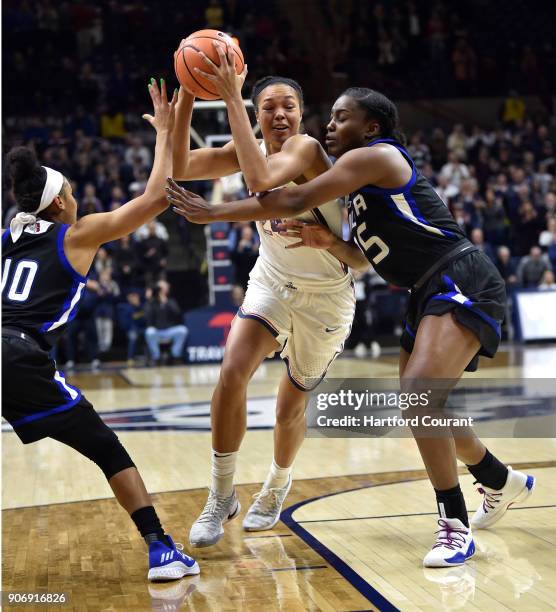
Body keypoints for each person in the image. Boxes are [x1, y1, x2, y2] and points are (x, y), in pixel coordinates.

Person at [168, 87, 535, 568]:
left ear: (371, 128)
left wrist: (215, 211)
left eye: (341, 119)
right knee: (425, 405)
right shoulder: (352, 182)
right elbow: (359, 256)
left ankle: (454, 525)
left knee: (420, 399)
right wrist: (328, 239)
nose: (330, 126)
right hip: (422, 290)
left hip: (459, 275)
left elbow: (290, 196)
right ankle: (499, 478)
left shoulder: (376, 157)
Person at [2, 80, 199, 581]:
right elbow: (156, 198)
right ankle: (160, 549)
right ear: (60, 204)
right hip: (19, 355)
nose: (75, 196)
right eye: (70, 191)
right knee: (106, 448)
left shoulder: (6, 239)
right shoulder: (79, 233)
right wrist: (166, 135)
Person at [172, 44, 358, 548]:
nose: (279, 114)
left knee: (287, 408)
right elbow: (181, 164)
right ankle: (221, 495)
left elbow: (257, 182)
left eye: (288, 107)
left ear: (301, 115)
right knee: (231, 372)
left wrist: (231, 96)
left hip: (326, 297)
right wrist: (189, 94)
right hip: (273, 281)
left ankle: (277, 484)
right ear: (256, 115)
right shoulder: (249, 145)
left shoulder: (305, 151)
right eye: (268, 107)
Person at [144, 280, 188, 365]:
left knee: (183, 330)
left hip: (169, 330)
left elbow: (177, 313)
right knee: (149, 332)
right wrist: (149, 300)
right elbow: (146, 316)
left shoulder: (171, 301)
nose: (162, 290)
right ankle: (156, 357)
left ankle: (175, 354)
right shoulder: (152, 302)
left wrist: (166, 302)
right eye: (161, 288)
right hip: (157, 330)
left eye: (165, 288)